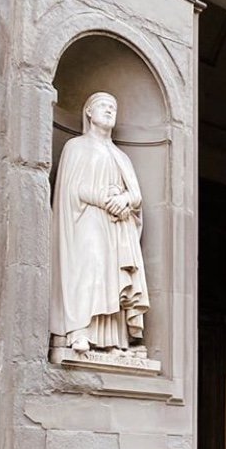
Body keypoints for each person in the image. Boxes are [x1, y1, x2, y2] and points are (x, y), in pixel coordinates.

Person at [49, 91, 149, 353]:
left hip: (117, 224)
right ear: (89, 113)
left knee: (114, 276)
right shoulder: (76, 147)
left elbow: (136, 195)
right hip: (88, 217)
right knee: (90, 268)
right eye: (103, 106)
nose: (109, 110)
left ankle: (112, 340)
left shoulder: (121, 156)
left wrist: (125, 200)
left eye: (113, 107)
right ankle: (79, 330)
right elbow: (71, 189)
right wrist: (106, 200)